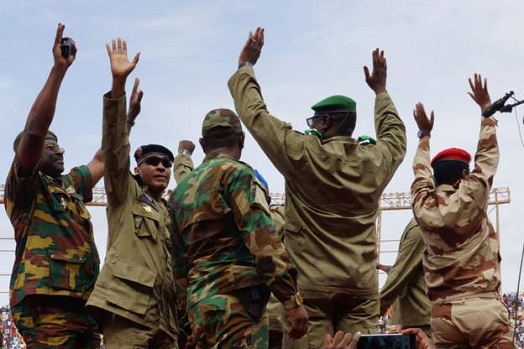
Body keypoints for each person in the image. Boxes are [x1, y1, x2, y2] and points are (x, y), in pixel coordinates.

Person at [228, 28, 407, 347]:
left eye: (314, 122)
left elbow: (256, 115)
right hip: (361, 287)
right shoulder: (376, 161)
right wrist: (381, 93)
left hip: (310, 288)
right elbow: (395, 136)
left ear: (325, 124)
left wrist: (246, 67)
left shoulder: (303, 154)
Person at [169, 108, 309, 348]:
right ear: (241, 140)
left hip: (199, 304)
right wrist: (291, 300)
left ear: (203, 144)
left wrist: (185, 315)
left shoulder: (180, 192)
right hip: (238, 303)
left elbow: (178, 263)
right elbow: (263, 241)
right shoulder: (239, 174)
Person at [4, 23, 104, 348]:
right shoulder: (26, 186)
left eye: (59, 145)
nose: (59, 149)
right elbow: (34, 130)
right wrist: (58, 72)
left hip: (84, 302)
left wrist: (122, 109)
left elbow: (103, 159)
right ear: (32, 153)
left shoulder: (70, 184)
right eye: (51, 146)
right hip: (45, 305)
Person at [85, 38, 179, 348]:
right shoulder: (124, 193)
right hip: (127, 313)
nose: (162, 167)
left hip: (166, 320)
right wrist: (118, 88)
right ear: (137, 169)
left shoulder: (168, 212)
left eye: (167, 163)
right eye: (152, 162)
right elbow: (114, 150)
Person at [411, 73, 513, 348]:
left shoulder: (422, 205)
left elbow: (420, 173)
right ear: (463, 176)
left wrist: (424, 135)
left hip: (446, 316)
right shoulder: (471, 195)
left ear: (435, 179)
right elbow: (488, 155)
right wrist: (486, 111)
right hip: (485, 309)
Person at [378, 219, 432, 336]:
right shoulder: (423, 224)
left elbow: (400, 273)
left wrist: (371, 311)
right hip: (419, 315)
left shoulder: (421, 227)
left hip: (422, 317)